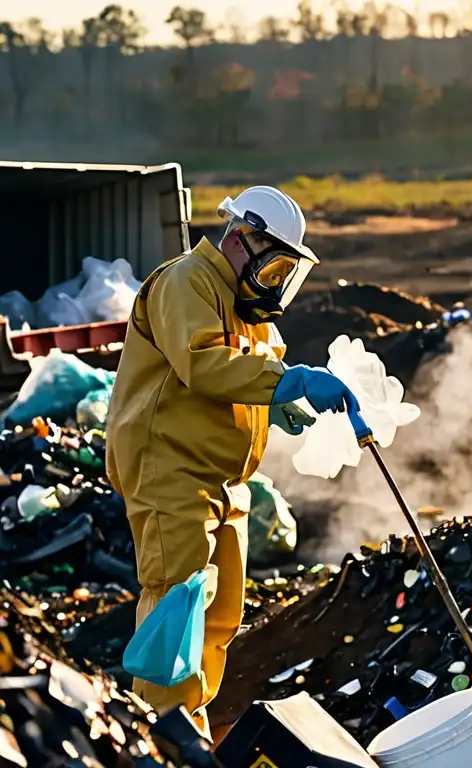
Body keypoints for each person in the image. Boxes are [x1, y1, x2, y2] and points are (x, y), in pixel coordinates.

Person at [106, 185, 361, 741]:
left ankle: (189, 730)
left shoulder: (251, 314)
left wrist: (280, 402)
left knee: (218, 619)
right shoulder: (185, 281)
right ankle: (162, 740)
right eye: (272, 268)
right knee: (176, 612)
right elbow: (204, 362)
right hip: (170, 468)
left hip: (226, 480)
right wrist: (286, 382)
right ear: (240, 239)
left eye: (283, 275)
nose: (273, 284)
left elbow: (258, 365)